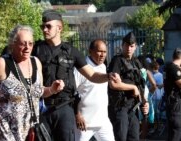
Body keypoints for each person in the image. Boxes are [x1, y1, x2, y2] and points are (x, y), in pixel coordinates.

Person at [32, 10, 119, 141]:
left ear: (59, 28)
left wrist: (108, 76)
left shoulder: (72, 52)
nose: (44, 29)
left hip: (64, 108)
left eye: (48, 26)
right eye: (42, 26)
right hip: (43, 108)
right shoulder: (35, 50)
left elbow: (92, 75)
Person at [0, 25, 64, 141]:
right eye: (23, 44)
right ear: (12, 43)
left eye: (30, 43)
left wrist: (52, 89)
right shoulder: (1, 64)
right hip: (4, 132)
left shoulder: (36, 62)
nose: (27, 48)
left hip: (30, 132)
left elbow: (36, 92)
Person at [107, 32, 149, 141]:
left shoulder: (137, 62)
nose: (129, 48)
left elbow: (141, 85)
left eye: (131, 46)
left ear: (135, 47)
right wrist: (133, 88)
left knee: (134, 137)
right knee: (121, 137)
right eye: (126, 45)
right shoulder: (117, 61)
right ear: (122, 45)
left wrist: (145, 102)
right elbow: (113, 84)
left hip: (133, 107)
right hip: (120, 107)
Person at [73, 39, 115, 141]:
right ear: (90, 51)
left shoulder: (103, 67)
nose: (102, 55)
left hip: (103, 121)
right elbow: (72, 92)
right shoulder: (81, 69)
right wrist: (77, 115)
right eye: (99, 51)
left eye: (104, 52)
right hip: (84, 123)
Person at [164, 48, 181, 141]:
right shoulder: (174, 68)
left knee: (172, 130)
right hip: (175, 103)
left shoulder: (168, 67)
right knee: (177, 129)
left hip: (172, 101)